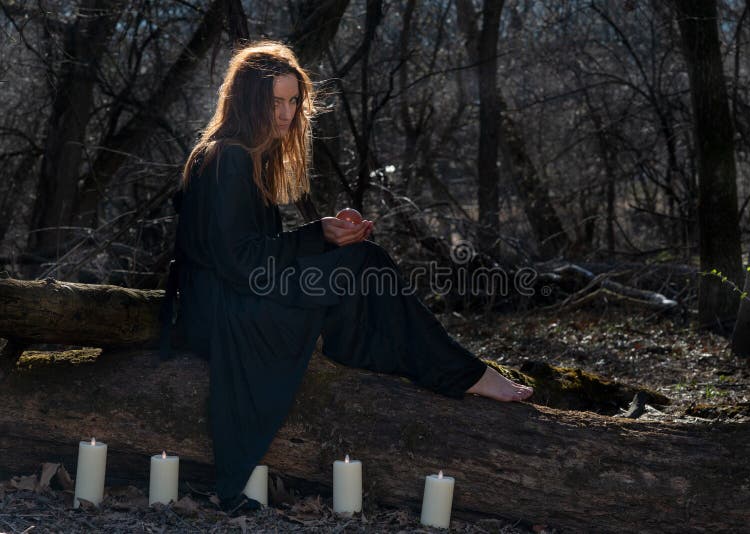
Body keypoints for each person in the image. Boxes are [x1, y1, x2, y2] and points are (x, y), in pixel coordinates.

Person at [161, 40, 533, 510]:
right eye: (275, 101)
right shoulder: (231, 157)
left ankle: (439, 364)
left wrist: (323, 235)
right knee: (364, 264)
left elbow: (248, 256)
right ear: (248, 100)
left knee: (362, 263)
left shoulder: (243, 154)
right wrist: (319, 243)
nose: (287, 113)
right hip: (224, 314)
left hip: (229, 298)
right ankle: (462, 372)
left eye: (294, 101)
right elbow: (243, 264)